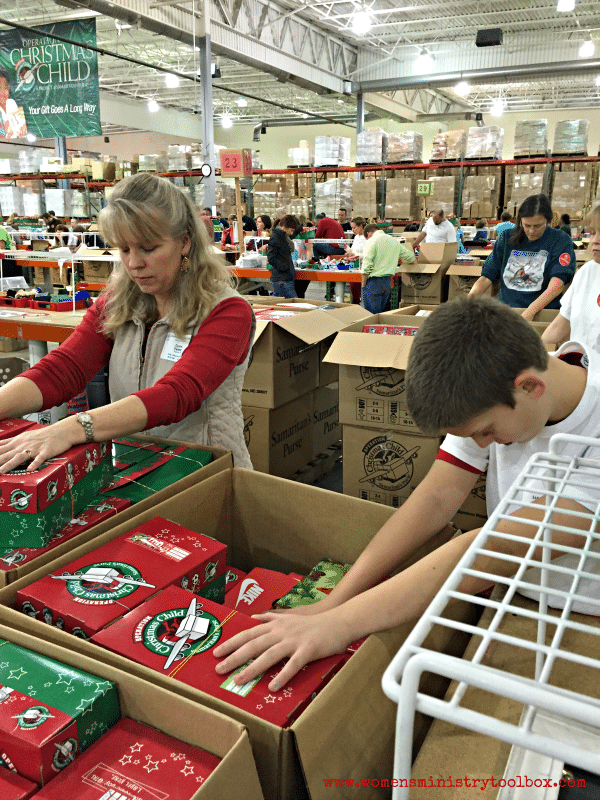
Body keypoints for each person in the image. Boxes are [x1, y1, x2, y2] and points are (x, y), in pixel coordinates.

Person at [213, 295, 600, 690]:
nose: (484, 445)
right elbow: (434, 500)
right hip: (518, 598)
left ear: (530, 386)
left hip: (582, 618)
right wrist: (332, 602)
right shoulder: (491, 394)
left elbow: (495, 549)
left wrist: (340, 624)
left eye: (486, 431)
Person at [0, 172, 254, 472]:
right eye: (124, 249)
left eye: (148, 248)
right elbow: (65, 368)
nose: (134, 263)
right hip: (134, 471)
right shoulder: (118, 304)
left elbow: (177, 394)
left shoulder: (228, 312)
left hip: (206, 475)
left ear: (185, 241)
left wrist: (71, 428)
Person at [469, 194, 575, 321]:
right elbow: (487, 277)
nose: (531, 231)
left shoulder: (560, 240)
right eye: (527, 225)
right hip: (507, 312)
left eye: (537, 226)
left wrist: (529, 313)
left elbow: (557, 285)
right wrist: (466, 305)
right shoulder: (507, 237)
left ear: (548, 220)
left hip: (542, 313)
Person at [543, 204, 600, 350]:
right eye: (592, 233)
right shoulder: (586, 272)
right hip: (577, 365)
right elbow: (561, 325)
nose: (595, 240)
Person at [360, 223, 414, 313]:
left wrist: (363, 285)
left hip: (373, 283)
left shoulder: (371, 241)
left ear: (369, 234)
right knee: (381, 314)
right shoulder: (393, 241)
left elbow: (366, 265)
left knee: (371, 316)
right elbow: (411, 257)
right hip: (387, 283)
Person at [267, 215, 300, 298]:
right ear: (285, 227)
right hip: (282, 279)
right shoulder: (276, 238)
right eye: (291, 230)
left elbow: (293, 234)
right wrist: (284, 267)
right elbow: (271, 258)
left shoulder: (283, 237)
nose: (292, 233)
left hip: (285, 278)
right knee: (294, 304)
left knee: (285, 304)